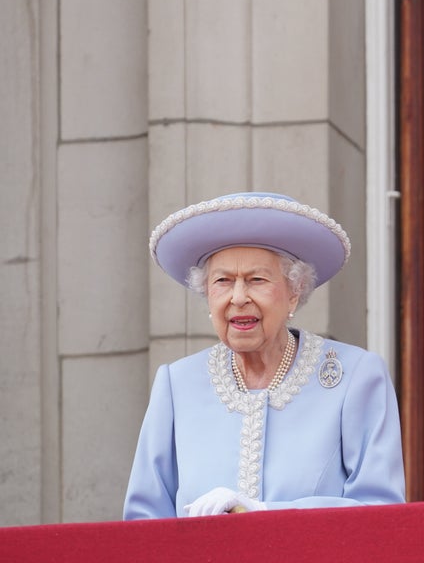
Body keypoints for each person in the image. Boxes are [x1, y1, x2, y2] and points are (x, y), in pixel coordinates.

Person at [124, 192, 406, 518]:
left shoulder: (355, 376)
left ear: (294, 293)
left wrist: (261, 512)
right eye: (223, 282)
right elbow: (143, 524)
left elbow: (380, 512)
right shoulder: (177, 384)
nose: (239, 297)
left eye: (256, 280)